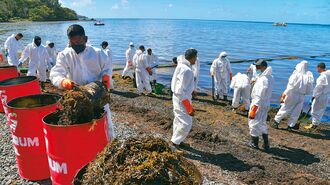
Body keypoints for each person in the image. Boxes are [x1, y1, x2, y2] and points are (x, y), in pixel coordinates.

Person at [49, 24, 115, 139]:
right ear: (69, 41)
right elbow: (55, 73)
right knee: (79, 124)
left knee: (105, 123)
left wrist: (106, 77)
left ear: (85, 39)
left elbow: (107, 67)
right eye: (73, 43)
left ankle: (108, 143)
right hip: (78, 97)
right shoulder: (64, 55)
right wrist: (63, 81)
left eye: (79, 42)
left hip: (98, 94)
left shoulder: (98, 53)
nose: (76, 45)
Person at [272, 61, 314, 130]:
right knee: (296, 112)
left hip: (292, 94)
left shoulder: (295, 75)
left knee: (285, 108)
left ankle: (276, 122)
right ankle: (290, 126)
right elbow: (309, 90)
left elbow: (290, 86)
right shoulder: (308, 77)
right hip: (302, 96)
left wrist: (284, 94)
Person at [171, 49, 198, 147]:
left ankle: (177, 140)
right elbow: (179, 90)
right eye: (195, 57)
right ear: (192, 57)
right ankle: (175, 143)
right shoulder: (186, 70)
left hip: (180, 97)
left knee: (178, 120)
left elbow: (182, 86)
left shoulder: (181, 64)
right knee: (186, 123)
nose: (196, 59)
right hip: (182, 99)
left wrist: (192, 90)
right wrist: (188, 107)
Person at [248, 59, 274, 151]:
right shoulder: (270, 77)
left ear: (263, 67)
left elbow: (260, 94)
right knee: (262, 123)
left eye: (258, 66)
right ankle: (266, 144)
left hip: (258, 104)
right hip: (266, 104)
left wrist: (254, 108)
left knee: (253, 123)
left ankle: (254, 143)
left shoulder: (263, 79)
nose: (256, 67)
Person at [305, 63, 330, 129]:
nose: (317, 70)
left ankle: (314, 124)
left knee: (314, 110)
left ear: (319, 68)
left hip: (320, 96)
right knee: (321, 110)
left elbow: (318, 88)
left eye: (317, 68)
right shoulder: (328, 74)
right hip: (327, 95)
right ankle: (316, 123)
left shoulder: (321, 77)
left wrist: (314, 96)